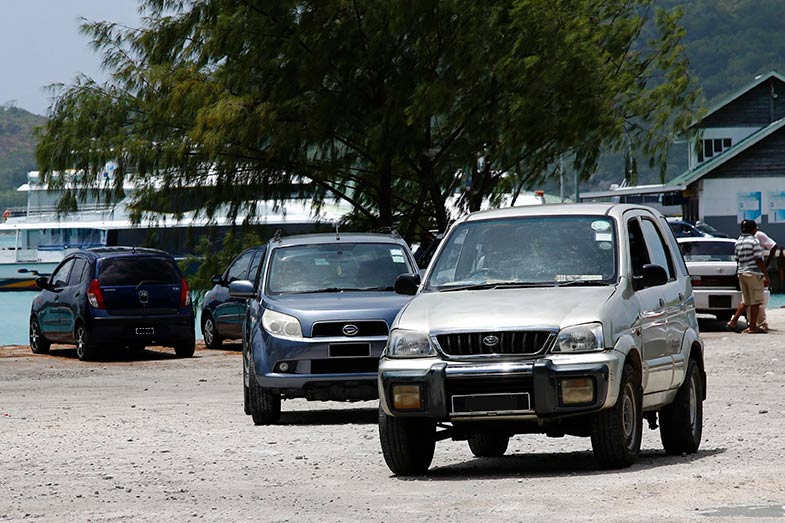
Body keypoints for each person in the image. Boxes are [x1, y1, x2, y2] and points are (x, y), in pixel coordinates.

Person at [726, 225, 777, 331]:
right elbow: (758, 259)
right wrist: (766, 275)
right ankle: (753, 327)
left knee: (746, 301)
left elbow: (737, 259)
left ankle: (733, 321)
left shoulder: (738, 242)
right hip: (753, 273)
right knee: (756, 301)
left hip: (742, 273)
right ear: (753, 229)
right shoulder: (754, 241)